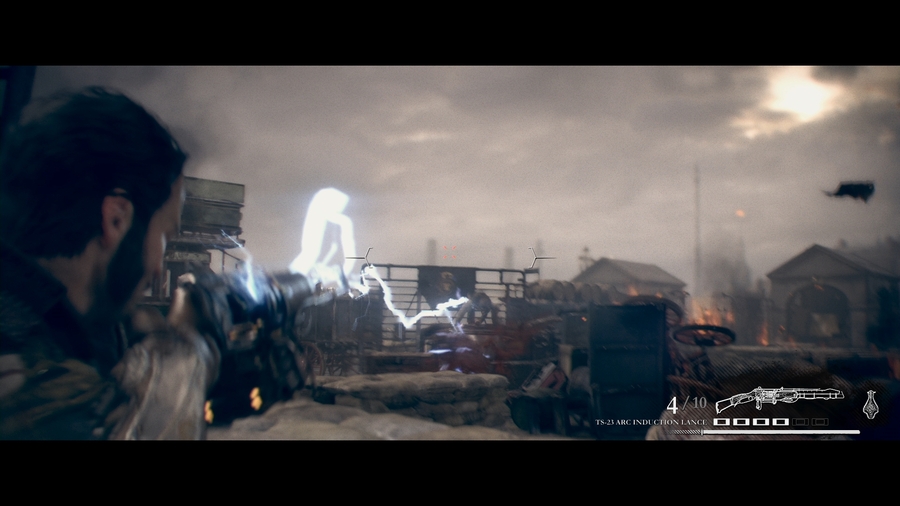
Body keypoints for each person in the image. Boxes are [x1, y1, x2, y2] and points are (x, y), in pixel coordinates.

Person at [0, 87, 219, 439]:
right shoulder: (40, 395)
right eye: (164, 236)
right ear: (116, 219)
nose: (158, 268)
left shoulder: (41, 330)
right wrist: (177, 364)